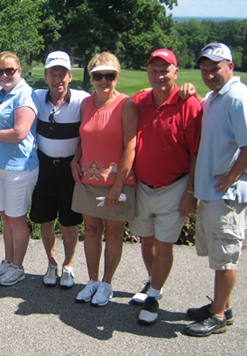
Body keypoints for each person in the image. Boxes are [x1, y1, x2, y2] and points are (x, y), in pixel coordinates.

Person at [184, 43, 247, 336]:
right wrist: (193, 93)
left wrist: (232, 175)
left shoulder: (239, 98)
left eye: (215, 69)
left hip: (228, 195)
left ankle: (217, 315)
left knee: (225, 257)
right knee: (218, 256)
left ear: (230, 66)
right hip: (213, 193)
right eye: (204, 70)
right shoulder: (216, 96)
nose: (209, 75)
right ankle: (224, 306)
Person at [129, 49, 202, 325]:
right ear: (148, 72)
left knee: (164, 244)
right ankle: (152, 281)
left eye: (165, 70)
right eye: (154, 70)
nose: (160, 75)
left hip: (175, 185)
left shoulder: (189, 104)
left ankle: (155, 295)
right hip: (143, 185)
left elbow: (195, 153)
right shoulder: (141, 100)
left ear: (176, 72)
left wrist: (191, 192)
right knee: (146, 240)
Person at [71, 52, 138, 306]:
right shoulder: (86, 104)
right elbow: (84, 137)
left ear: (116, 76)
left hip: (116, 183)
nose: (103, 80)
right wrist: (75, 159)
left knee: (113, 234)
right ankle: (92, 281)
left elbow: (130, 147)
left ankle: (107, 284)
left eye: (109, 75)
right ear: (91, 77)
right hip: (88, 179)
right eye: (98, 75)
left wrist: (117, 186)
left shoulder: (126, 105)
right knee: (90, 231)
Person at [29, 51, 90, 289]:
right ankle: (51, 263)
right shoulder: (35, 97)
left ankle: (69, 266)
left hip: (70, 170)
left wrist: (77, 158)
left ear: (70, 76)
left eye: (62, 73)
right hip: (43, 167)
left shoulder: (82, 100)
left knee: (68, 223)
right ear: (45, 77)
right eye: (53, 73)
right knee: (46, 220)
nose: (58, 79)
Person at [0, 52, 39, 286]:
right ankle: (8, 260)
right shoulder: (1, 94)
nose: (4, 75)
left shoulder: (24, 94)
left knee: (17, 219)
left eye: (10, 70)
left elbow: (20, 132)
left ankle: (18, 266)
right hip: (0, 167)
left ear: (19, 71)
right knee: (5, 217)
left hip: (20, 168)